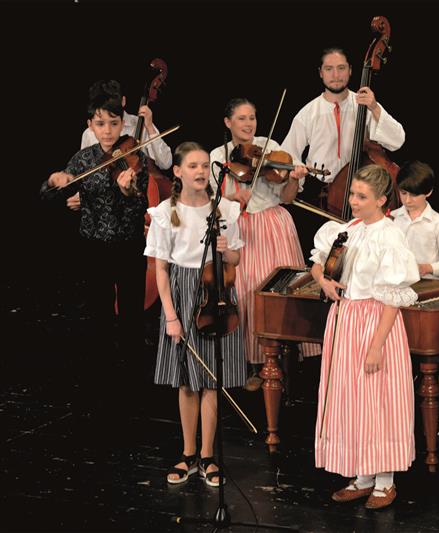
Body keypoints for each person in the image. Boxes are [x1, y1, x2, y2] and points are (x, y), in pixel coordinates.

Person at [310, 164, 419, 509]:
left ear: (381, 200)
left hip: (374, 322)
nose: (353, 201)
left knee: (378, 400)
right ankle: (362, 474)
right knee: (351, 399)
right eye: (352, 194)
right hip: (345, 321)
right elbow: (318, 263)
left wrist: (376, 345)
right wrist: (323, 281)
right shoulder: (350, 229)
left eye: (361, 196)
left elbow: (391, 297)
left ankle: (385, 481)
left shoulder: (389, 235)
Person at [42, 91, 150, 419]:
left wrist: (127, 187)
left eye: (113, 124)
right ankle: (102, 382)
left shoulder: (134, 156)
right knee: (100, 315)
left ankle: (134, 383)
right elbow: (49, 194)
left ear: (122, 124)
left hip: (128, 246)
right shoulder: (84, 159)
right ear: (91, 124)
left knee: (131, 316)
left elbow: (140, 201)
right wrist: (55, 181)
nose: (107, 130)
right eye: (100, 124)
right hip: (93, 247)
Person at [145, 142, 246, 488]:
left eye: (205, 165)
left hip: (214, 292)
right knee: (188, 380)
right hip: (182, 294)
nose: (201, 172)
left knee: (212, 381)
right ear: (177, 171)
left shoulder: (225, 210)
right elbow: (160, 270)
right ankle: (188, 454)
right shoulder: (166, 212)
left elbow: (235, 260)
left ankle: (207, 456)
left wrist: (227, 251)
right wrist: (171, 317)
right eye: (193, 166)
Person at [209, 98, 312, 391]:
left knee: (277, 292)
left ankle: (285, 360)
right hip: (240, 228)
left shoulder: (269, 147)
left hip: (273, 224)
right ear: (228, 123)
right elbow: (212, 200)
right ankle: (253, 364)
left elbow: (288, 196)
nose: (248, 124)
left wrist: (294, 178)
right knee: (244, 292)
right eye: (241, 118)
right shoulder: (218, 155)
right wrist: (231, 199)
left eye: (252, 117)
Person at [281, 47, 405, 186]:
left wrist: (375, 108)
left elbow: (397, 141)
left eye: (341, 68)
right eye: (329, 69)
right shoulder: (308, 113)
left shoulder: (365, 104)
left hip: (361, 190)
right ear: (320, 73)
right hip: (318, 192)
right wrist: (299, 176)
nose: (336, 75)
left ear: (350, 70)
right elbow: (287, 155)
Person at [70, 79, 172, 212]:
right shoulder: (90, 134)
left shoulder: (140, 124)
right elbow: (87, 178)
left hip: (146, 202)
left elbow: (166, 163)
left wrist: (150, 126)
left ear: (123, 101)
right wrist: (82, 195)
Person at [390, 160, 439, 280]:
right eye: (403, 193)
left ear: (428, 192)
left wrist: (427, 268)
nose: (407, 200)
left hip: (428, 285)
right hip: (396, 285)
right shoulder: (391, 218)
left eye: (414, 195)